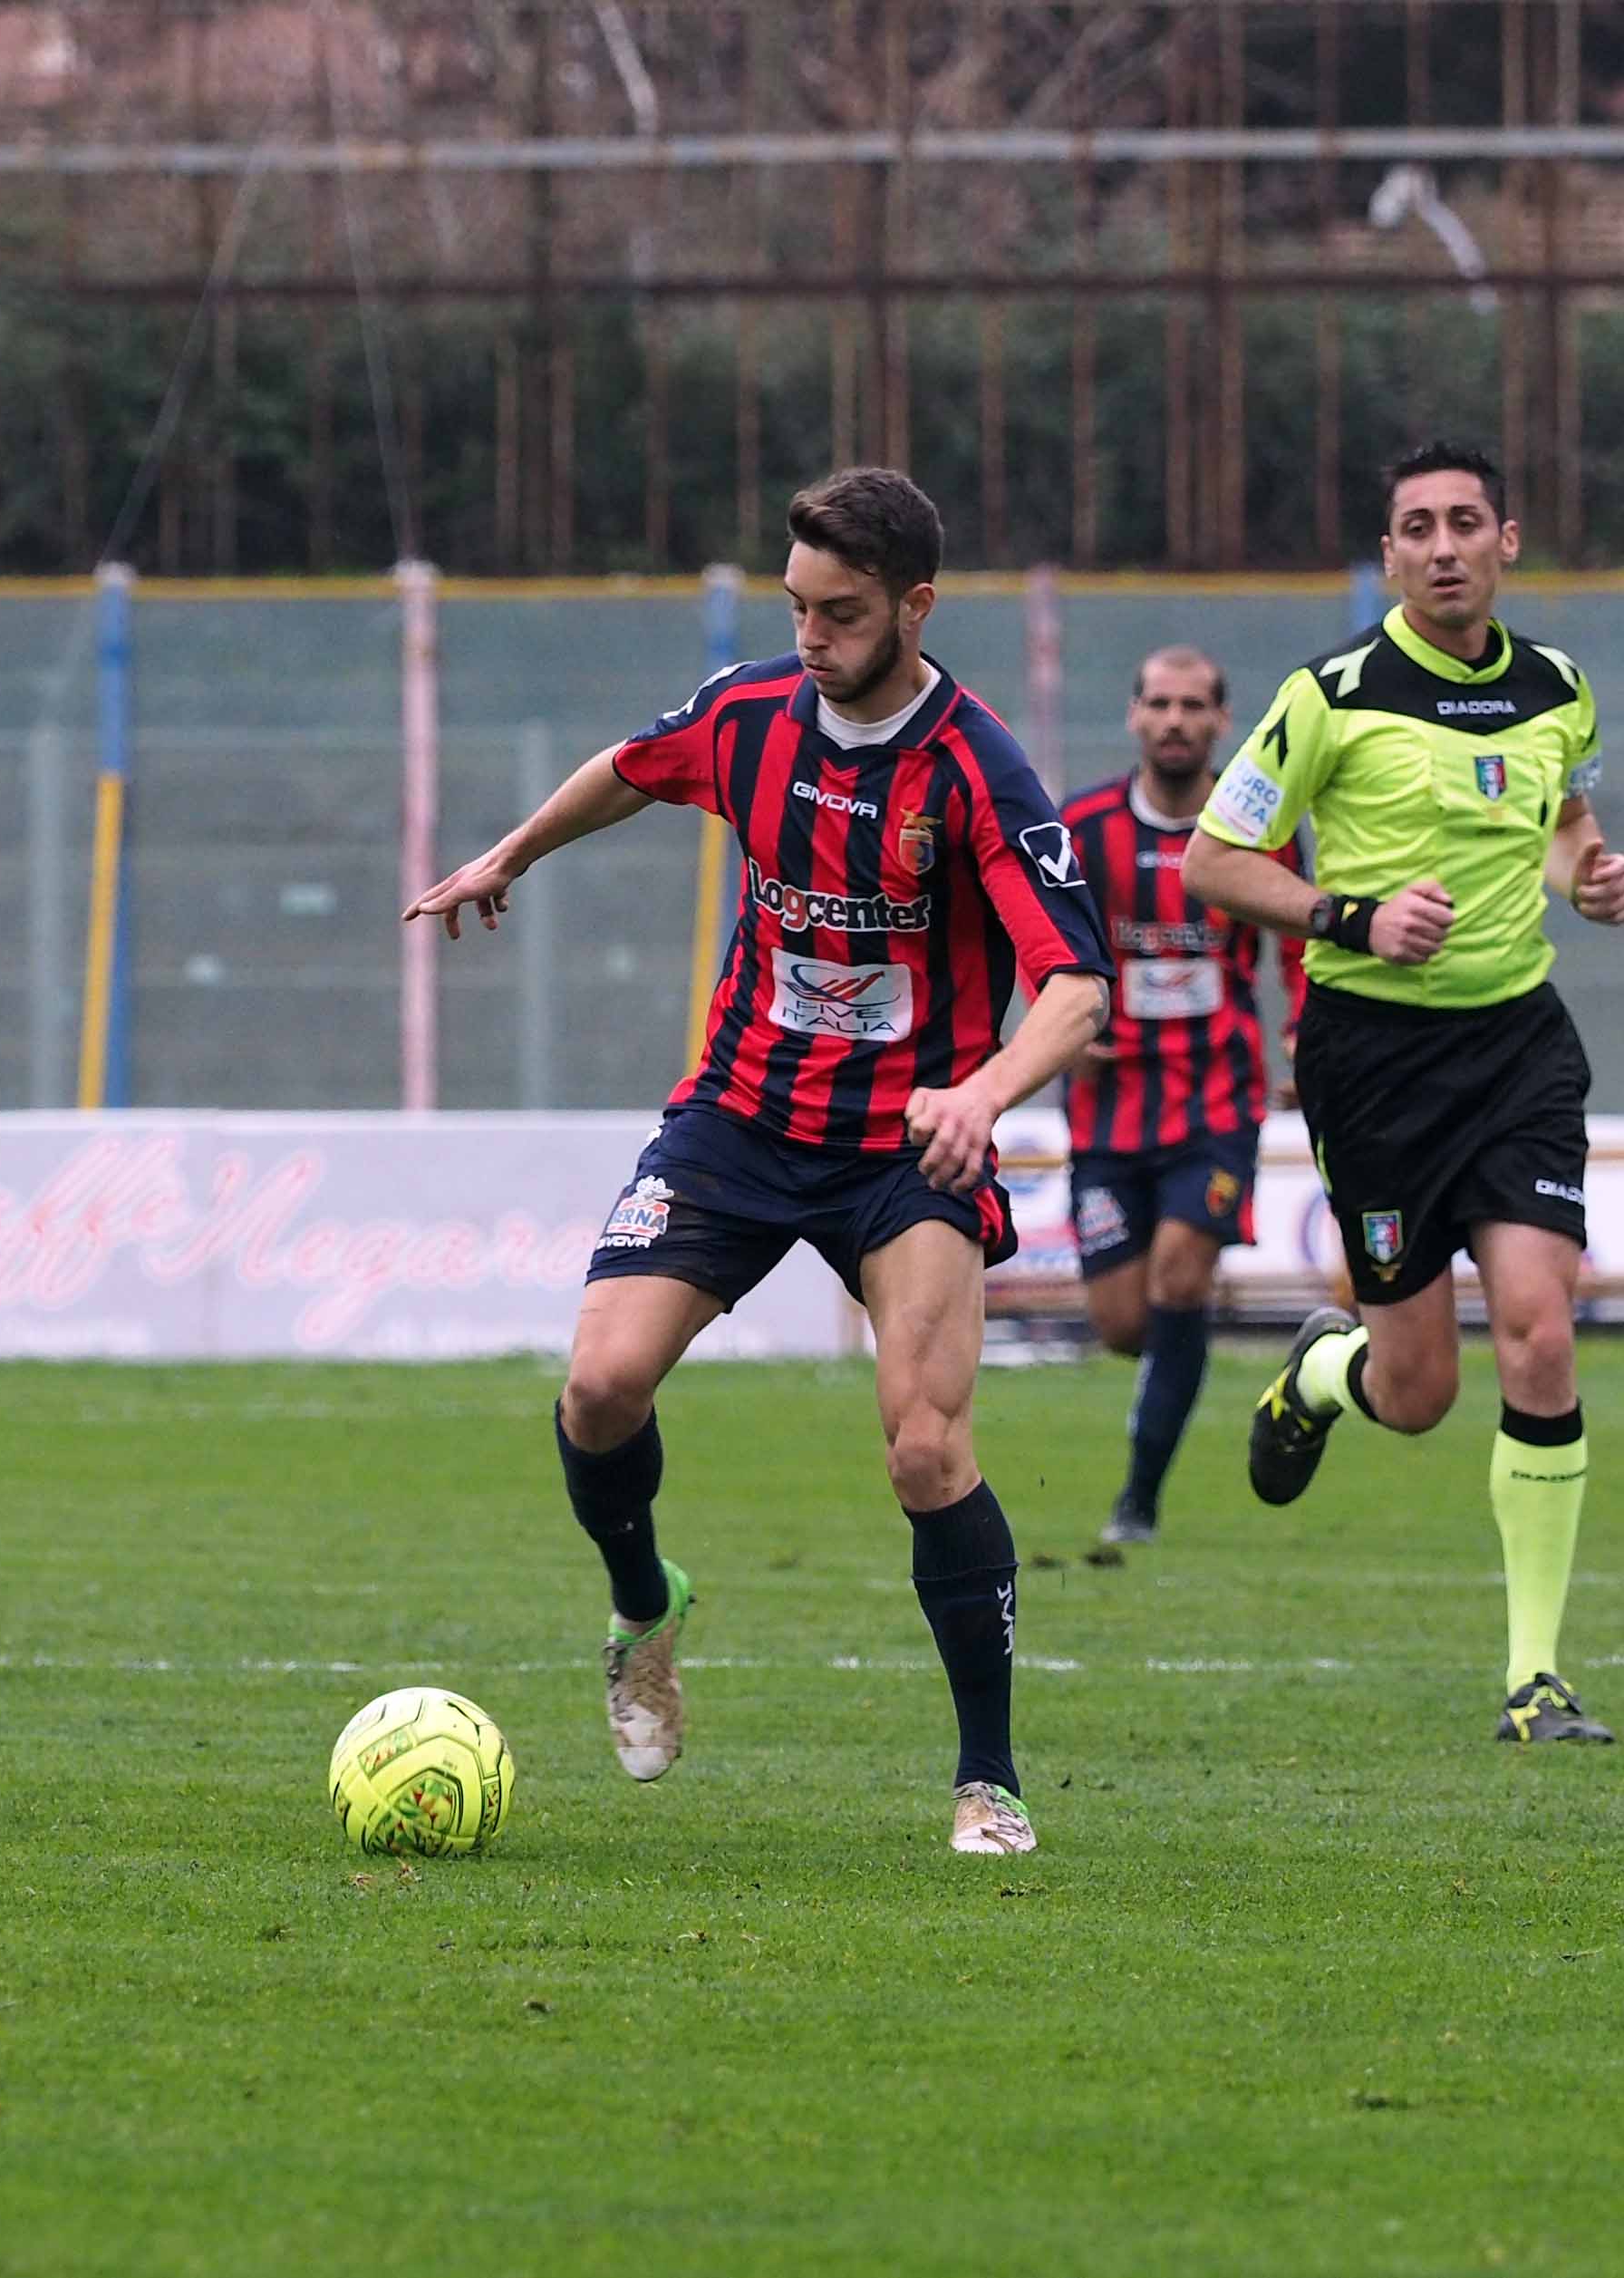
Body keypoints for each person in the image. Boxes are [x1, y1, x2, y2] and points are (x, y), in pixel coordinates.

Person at [407, 468, 1113, 1851]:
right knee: (600, 1385)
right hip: (739, 1118)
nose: (809, 636)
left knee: (923, 1445)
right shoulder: (749, 714)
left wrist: (982, 1093)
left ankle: (988, 1778)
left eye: (840, 613)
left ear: (914, 605)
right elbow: (628, 768)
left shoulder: (977, 767)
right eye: (795, 606)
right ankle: (640, 1602)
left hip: (906, 1145)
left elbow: (1078, 988)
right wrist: (510, 854)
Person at [1182, 440, 1624, 1745]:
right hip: (1372, 1061)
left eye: (1462, 522)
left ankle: (1532, 1677)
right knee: (1420, 1390)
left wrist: (1589, 874)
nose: (1439, 546)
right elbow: (1211, 864)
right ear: (1386, 555)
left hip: (1516, 1049)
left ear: (1505, 540)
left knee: (1542, 1334)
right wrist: (1348, 912)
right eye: (1412, 527)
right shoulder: (1325, 696)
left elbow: (1559, 822)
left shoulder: (1559, 689)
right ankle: (1320, 1375)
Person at [1058, 647, 1308, 1546]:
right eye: (1157, 702)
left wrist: (1299, 1038)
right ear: (1133, 717)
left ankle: (1138, 1502)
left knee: (1177, 1274)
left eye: (1191, 704)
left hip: (1216, 1099)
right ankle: (1199, 1367)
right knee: (1126, 1323)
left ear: (1219, 721)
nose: (1173, 719)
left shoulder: (1261, 828)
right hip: (1106, 1101)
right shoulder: (1081, 825)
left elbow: (1298, 943)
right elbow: (1033, 927)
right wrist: (1060, 1020)